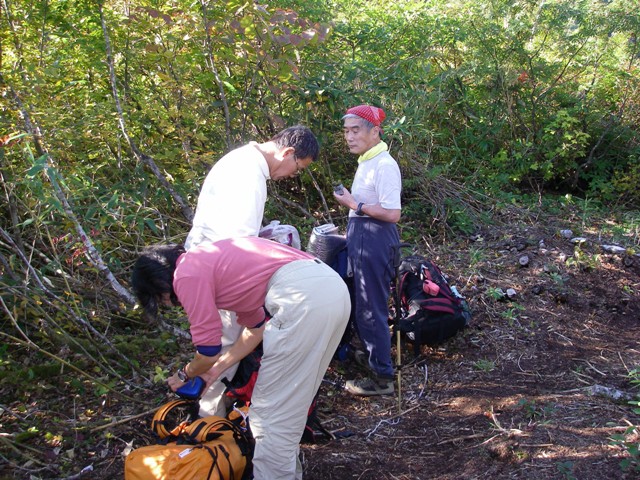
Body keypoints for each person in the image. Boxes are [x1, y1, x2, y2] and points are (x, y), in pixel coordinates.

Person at [131, 237, 350, 480]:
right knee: (290, 405)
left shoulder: (185, 273)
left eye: (159, 299)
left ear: (157, 284)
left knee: (268, 416)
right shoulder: (216, 265)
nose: (168, 303)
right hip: (331, 288)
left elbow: (208, 349)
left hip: (300, 297)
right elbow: (255, 329)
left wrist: (185, 374)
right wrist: (216, 369)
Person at [184, 125, 319, 417]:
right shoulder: (248, 176)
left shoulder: (241, 161)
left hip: (206, 267)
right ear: (288, 152)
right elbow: (240, 245)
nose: (292, 175)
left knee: (220, 343)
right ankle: (209, 421)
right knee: (226, 345)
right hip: (220, 276)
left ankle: (210, 413)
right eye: (297, 168)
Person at [333, 104, 402, 396]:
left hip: (375, 238)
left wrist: (353, 204)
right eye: (346, 131)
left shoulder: (384, 165)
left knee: (371, 307)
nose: (349, 137)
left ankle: (382, 378)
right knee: (362, 303)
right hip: (363, 236)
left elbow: (392, 213)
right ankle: (373, 357)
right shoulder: (367, 160)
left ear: (375, 132)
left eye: (356, 130)